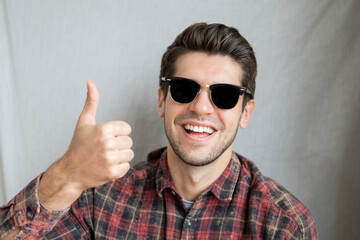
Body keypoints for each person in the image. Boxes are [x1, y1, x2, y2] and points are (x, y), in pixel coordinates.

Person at [0, 22, 318, 239]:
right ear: (161, 101)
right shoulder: (100, 199)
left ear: (245, 112)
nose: (201, 107)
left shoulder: (283, 224)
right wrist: (66, 176)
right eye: (183, 89)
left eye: (223, 95)